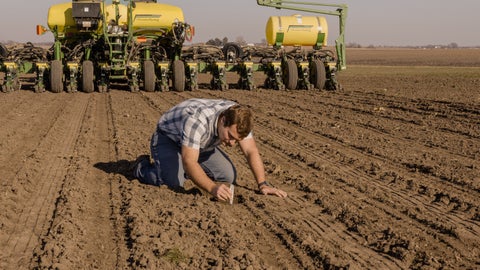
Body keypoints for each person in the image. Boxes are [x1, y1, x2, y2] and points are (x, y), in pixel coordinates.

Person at [133, 98, 287, 202]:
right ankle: (141, 168)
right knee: (173, 182)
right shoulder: (197, 120)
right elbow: (190, 161)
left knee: (228, 175)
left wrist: (263, 184)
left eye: (237, 140)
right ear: (223, 120)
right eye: (230, 137)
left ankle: (186, 171)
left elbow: (250, 151)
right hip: (168, 139)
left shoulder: (239, 120)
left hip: (200, 144)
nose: (232, 144)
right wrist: (212, 188)